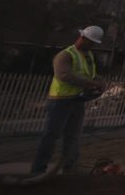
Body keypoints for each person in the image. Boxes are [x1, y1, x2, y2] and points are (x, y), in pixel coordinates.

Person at [30, 26, 106, 175]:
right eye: (91, 42)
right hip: (60, 101)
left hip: (78, 100)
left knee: (73, 137)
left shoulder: (88, 56)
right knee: (51, 135)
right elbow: (64, 76)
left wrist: (99, 81)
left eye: (94, 44)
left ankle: (70, 169)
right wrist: (92, 84)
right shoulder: (65, 55)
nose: (92, 46)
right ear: (83, 38)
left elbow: (90, 75)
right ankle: (38, 170)